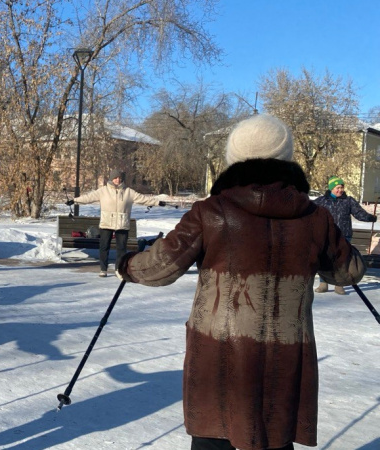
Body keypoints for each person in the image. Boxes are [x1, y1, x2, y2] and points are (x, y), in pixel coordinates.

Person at [116, 114, 366, 450]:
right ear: (286, 157)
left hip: (219, 353)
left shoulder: (211, 211)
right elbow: (347, 272)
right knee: (275, 438)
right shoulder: (314, 217)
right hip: (285, 353)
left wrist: (126, 265)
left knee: (214, 437)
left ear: (235, 156)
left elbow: (162, 266)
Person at [66, 169, 163, 277]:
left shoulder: (128, 192)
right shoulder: (103, 191)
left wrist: (157, 202)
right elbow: (89, 197)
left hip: (122, 224)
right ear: (111, 179)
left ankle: (119, 269)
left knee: (121, 249)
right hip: (106, 223)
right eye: (115, 178)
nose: (118, 180)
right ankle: (103, 269)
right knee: (104, 247)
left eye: (119, 178)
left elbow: (143, 198)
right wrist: (75, 200)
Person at [313, 175, 376, 294]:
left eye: (341, 187)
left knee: (342, 260)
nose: (340, 190)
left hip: (344, 235)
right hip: (326, 235)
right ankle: (323, 283)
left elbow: (359, 213)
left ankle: (339, 284)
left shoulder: (348, 200)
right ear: (331, 188)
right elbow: (308, 209)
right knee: (324, 259)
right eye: (337, 187)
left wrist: (369, 218)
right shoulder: (321, 201)